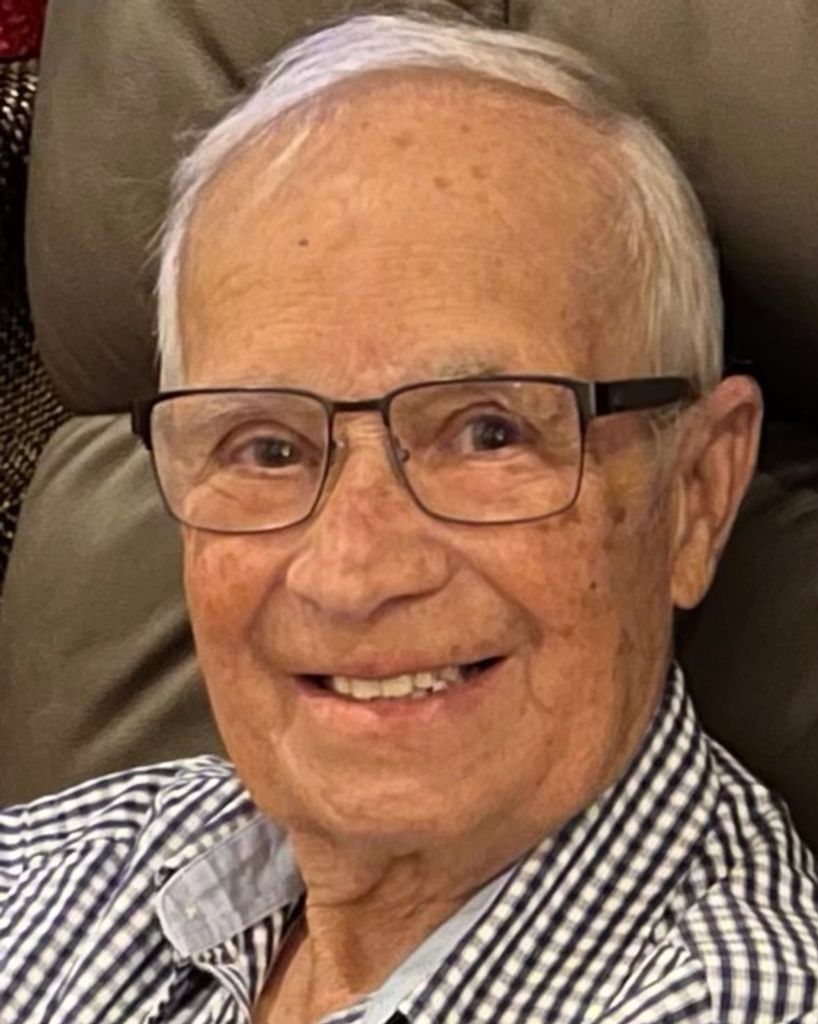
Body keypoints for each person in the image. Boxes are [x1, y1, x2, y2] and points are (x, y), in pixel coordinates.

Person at [2, 8, 817, 1023]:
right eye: (266, 447)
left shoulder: (727, 998)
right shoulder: (62, 877)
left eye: (487, 432)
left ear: (696, 493)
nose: (350, 572)